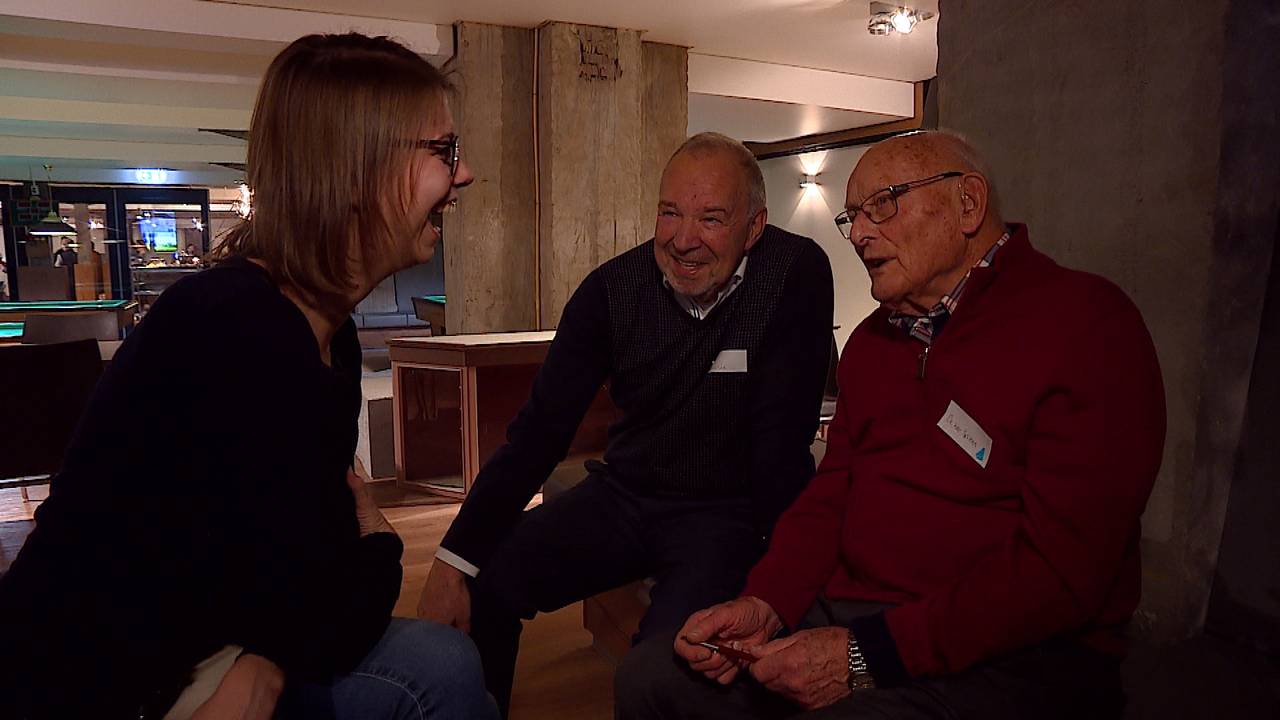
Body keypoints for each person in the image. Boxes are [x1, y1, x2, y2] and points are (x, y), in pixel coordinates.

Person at [0, 33, 495, 720]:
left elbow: (303, 593)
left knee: (440, 665)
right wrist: (380, 543)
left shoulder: (328, 334)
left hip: (212, 649)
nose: (463, 175)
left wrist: (298, 616)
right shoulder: (232, 329)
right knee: (438, 669)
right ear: (356, 172)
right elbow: (318, 620)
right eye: (444, 151)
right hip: (95, 684)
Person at [616, 130, 1167, 720]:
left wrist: (861, 656)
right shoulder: (871, 344)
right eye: (852, 216)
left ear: (968, 204)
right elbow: (832, 495)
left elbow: (1062, 575)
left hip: (1020, 655)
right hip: (858, 613)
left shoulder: (1086, 325)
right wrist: (769, 600)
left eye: (884, 204)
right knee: (652, 677)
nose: (858, 233)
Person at [417, 132, 835, 717]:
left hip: (725, 514)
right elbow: (539, 431)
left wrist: (778, 584)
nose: (683, 240)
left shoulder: (794, 274)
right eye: (670, 212)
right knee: (486, 580)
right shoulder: (610, 291)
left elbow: (782, 440)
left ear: (754, 226)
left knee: (662, 666)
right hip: (627, 493)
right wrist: (451, 559)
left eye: (711, 218)